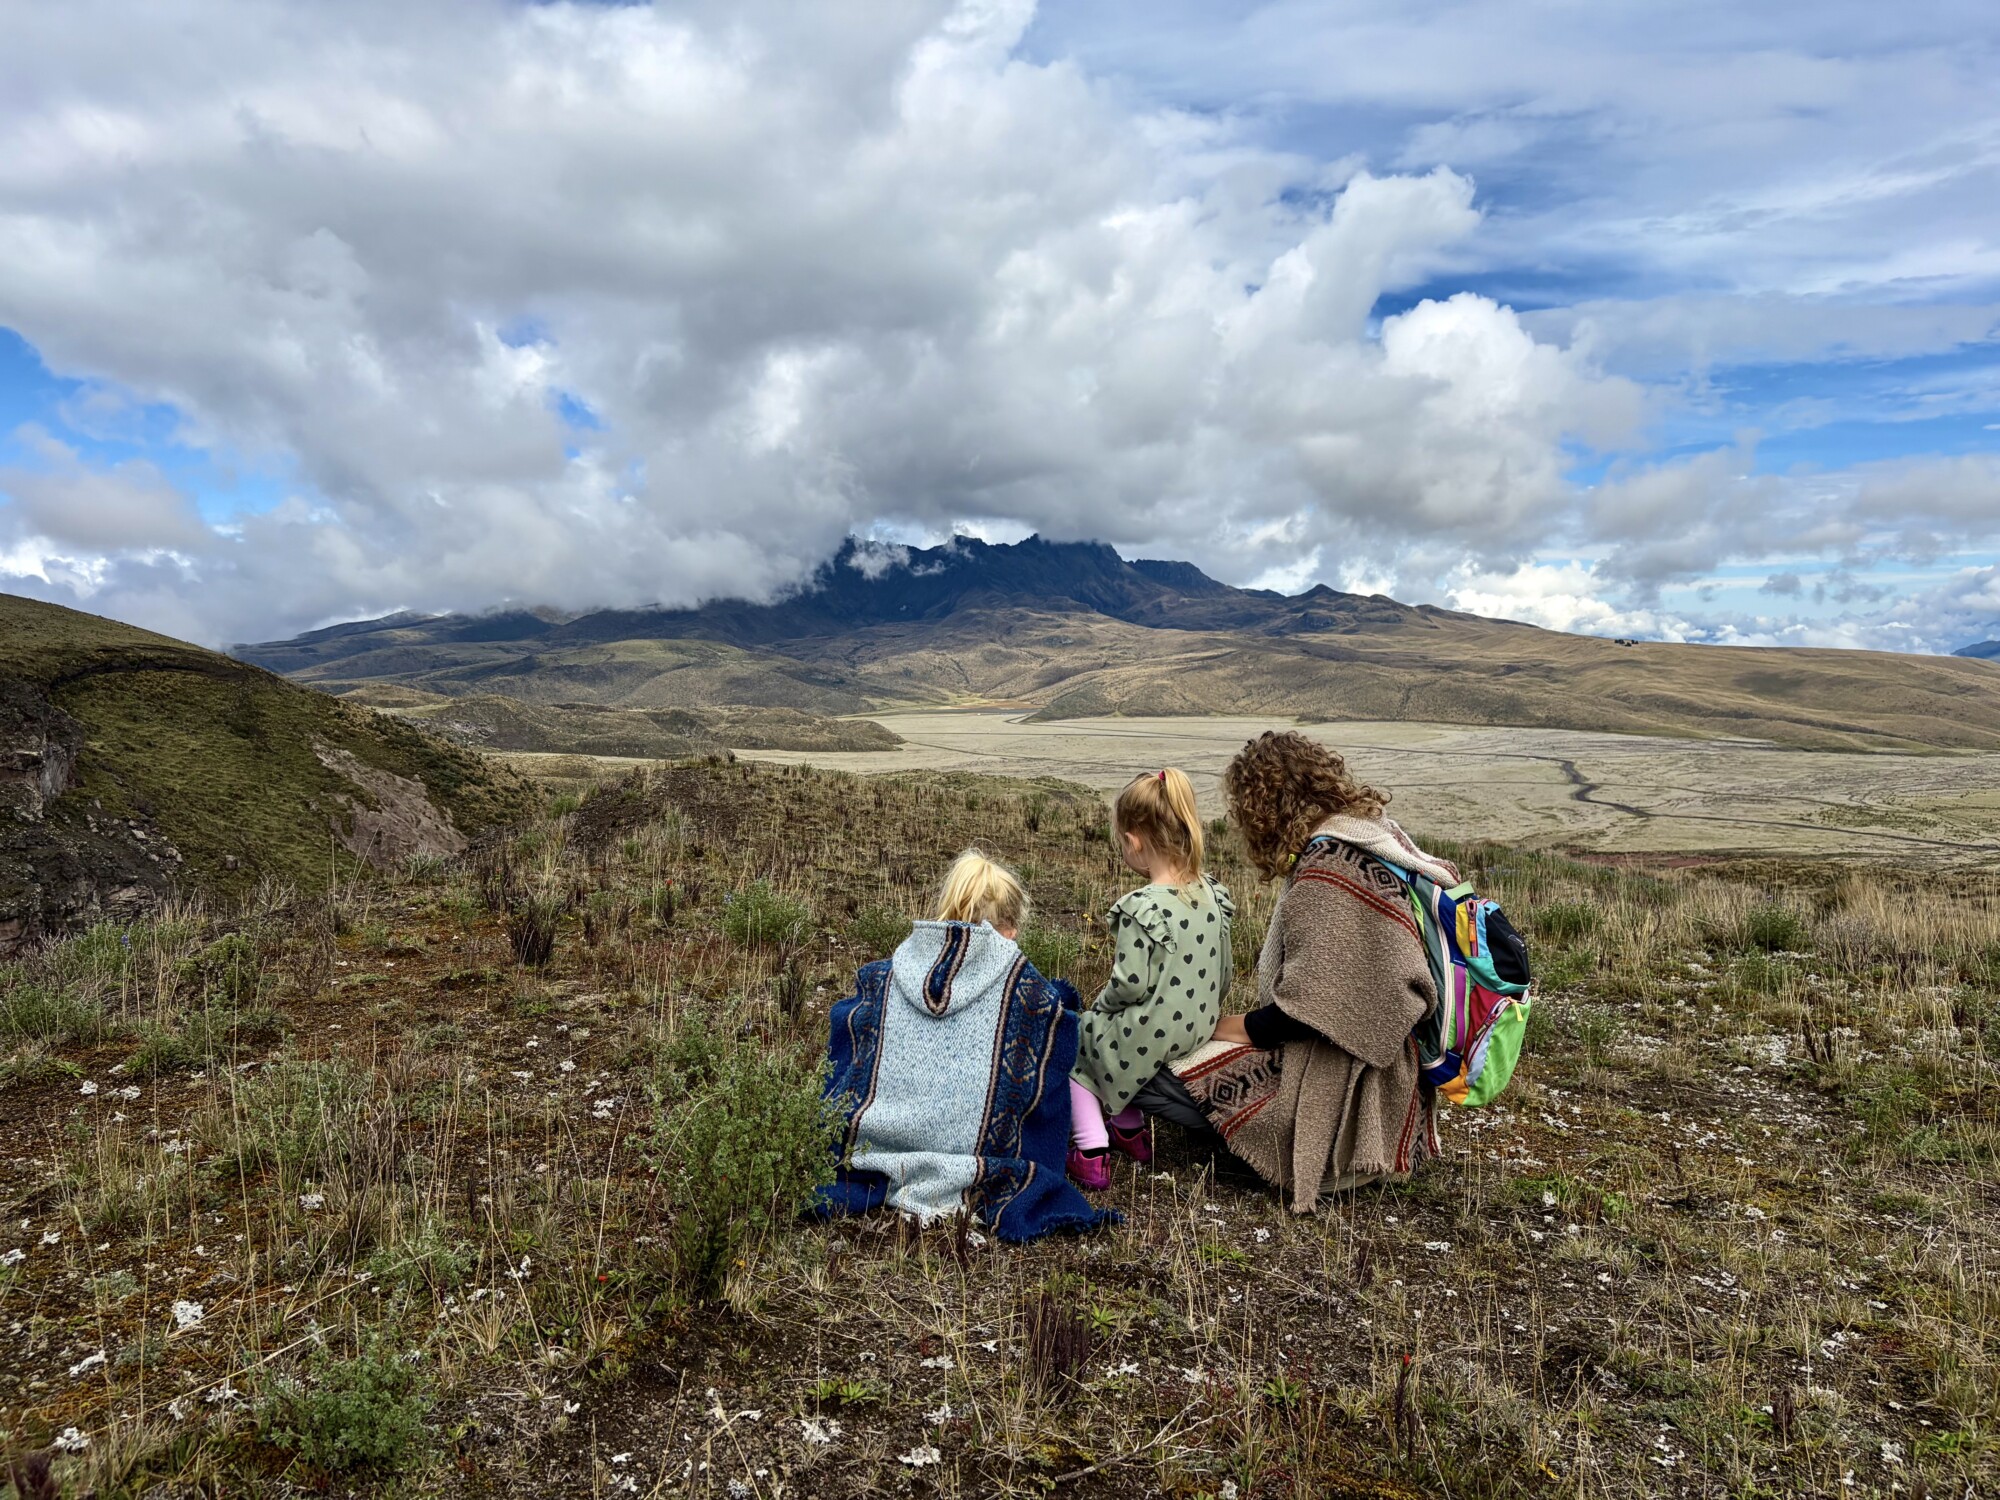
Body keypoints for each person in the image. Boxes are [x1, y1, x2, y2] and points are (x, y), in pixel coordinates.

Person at [1168, 731, 1452, 1210]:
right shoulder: (1373, 836)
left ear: (1262, 808)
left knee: (1165, 1072)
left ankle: (1324, 1158)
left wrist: (1211, 1030)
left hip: (1347, 1088)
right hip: (1396, 1077)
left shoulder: (1327, 873)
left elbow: (1303, 1014)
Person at [818, 849, 1114, 1242]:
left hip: (872, 1152)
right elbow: (1054, 1048)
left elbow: (844, 1049)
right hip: (979, 1162)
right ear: (1009, 931)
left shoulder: (881, 979)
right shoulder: (1030, 998)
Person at [1067, 769, 1234, 1191]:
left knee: (1080, 1044)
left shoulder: (1141, 907)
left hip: (1157, 1036)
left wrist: (1100, 1008)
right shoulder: (1213, 893)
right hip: (1197, 1026)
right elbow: (1226, 971)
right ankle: (1130, 1132)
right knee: (1114, 1040)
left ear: (1134, 840)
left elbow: (1129, 985)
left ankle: (1090, 1151)